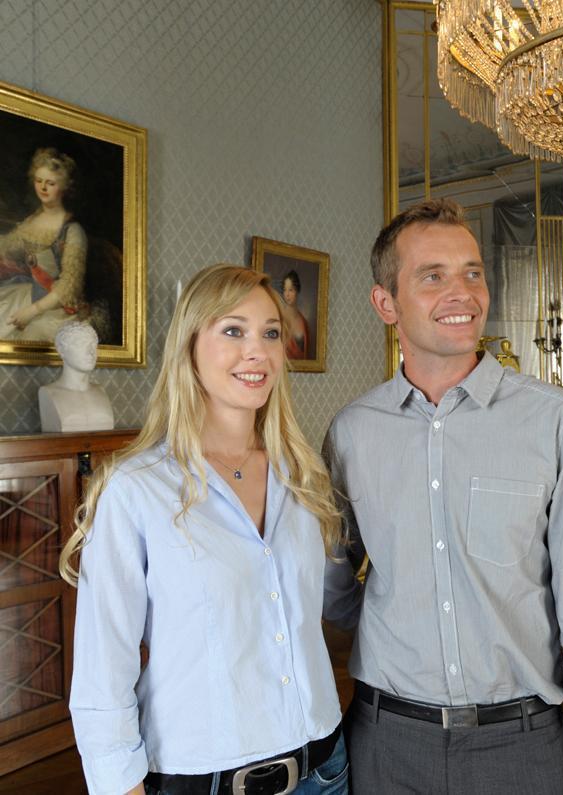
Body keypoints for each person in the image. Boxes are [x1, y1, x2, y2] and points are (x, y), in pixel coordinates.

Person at [324, 199, 563, 794]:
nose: (463, 292)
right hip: (386, 743)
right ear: (386, 303)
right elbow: (333, 586)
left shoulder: (555, 421)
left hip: (521, 746)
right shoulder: (351, 433)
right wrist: (402, 614)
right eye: (433, 276)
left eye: (472, 272)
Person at [60, 264, 349, 795]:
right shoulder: (137, 489)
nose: (257, 351)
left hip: (325, 768)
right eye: (233, 330)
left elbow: (326, 608)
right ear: (189, 346)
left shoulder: (303, 476)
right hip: (203, 779)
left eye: (270, 333)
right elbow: (104, 670)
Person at [0, 148, 87, 341]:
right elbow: (7, 247)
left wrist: (33, 310)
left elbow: (68, 288)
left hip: (56, 309)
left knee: (30, 334)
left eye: (50, 183)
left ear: (64, 186)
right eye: (39, 181)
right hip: (30, 295)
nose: (43, 188)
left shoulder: (72, 231)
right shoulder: (31, 222)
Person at [39, 321, 113, 432]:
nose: (91, 352)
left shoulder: (101, 391)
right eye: (81, 344)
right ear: (62, 350)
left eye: (93, 345)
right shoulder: (48, 393)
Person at [282, 269, 310, 359]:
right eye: (285, 290)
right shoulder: (279, 318)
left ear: (297, 291)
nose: (287, 294)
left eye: (291, 290)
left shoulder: (304, 322)